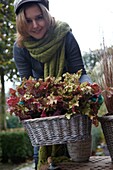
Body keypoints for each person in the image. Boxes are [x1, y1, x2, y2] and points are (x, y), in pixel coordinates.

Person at [13, 0, 92, 169]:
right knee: (40, 160)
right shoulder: (20, 48)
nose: (35, 25)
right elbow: (26, 85)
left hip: (71, 117)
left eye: (39, 17)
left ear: (46, 15)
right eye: (28, 21)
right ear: (21, 22)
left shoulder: (65, 36)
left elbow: (80, 73)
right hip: (45, 122)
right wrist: (24, 104)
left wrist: (89, 89)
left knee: (77, 163)